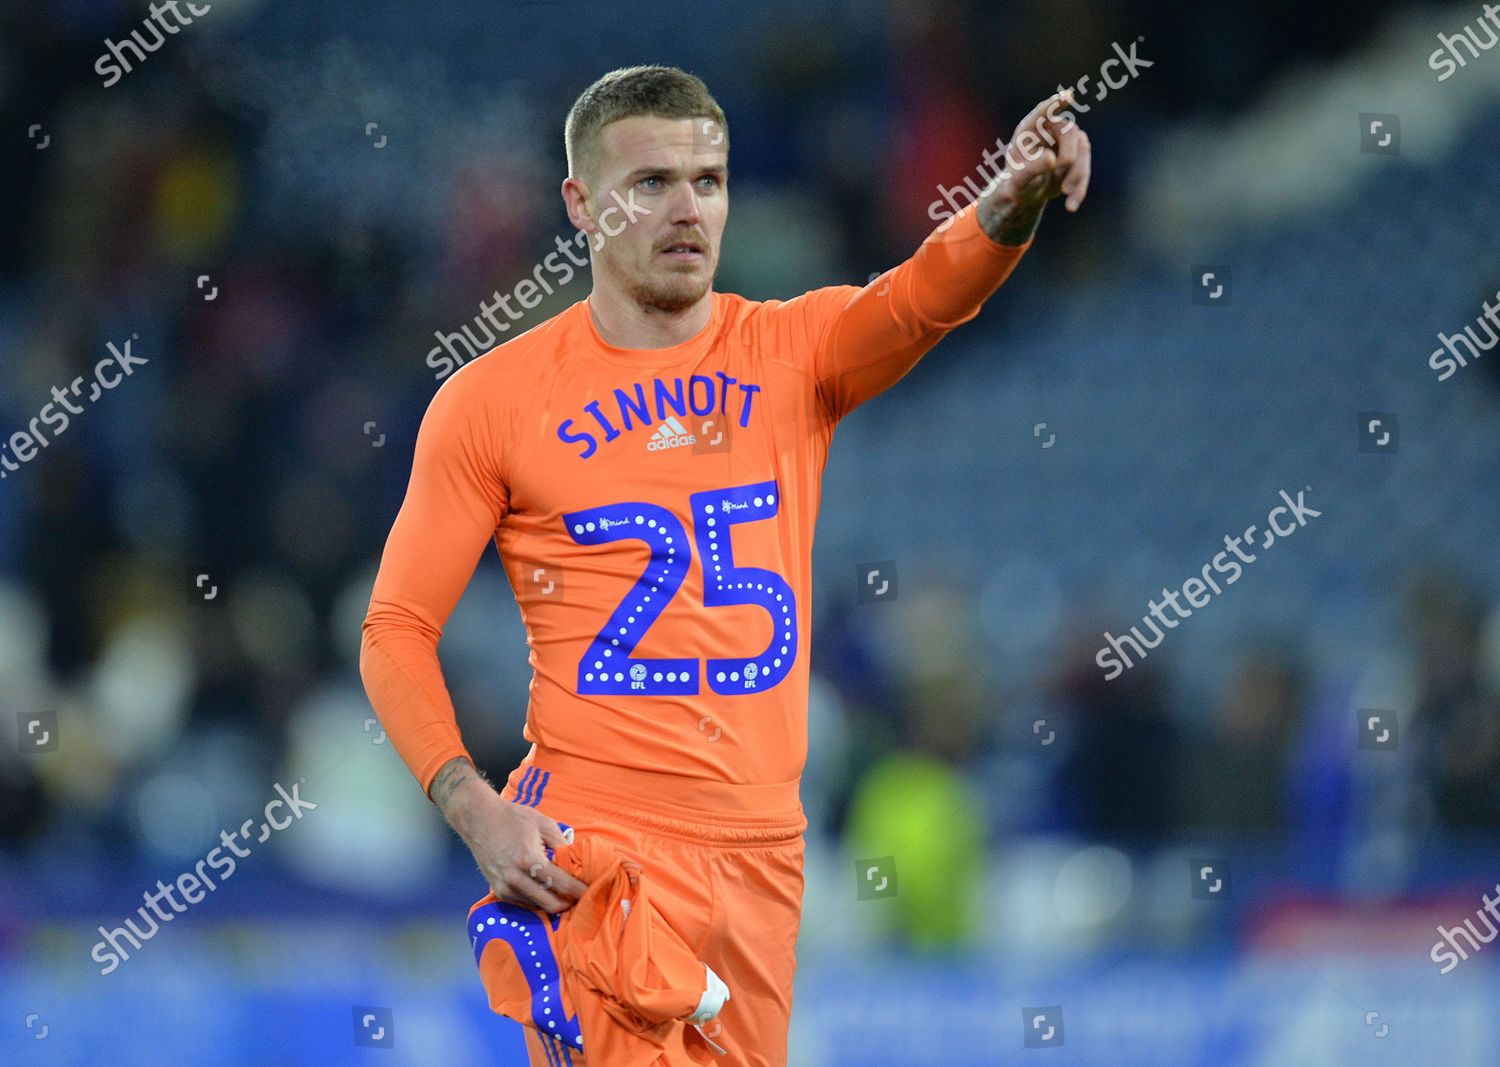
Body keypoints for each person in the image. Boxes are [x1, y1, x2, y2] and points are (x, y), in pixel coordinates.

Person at [360, 64, 1090, 1067]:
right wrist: (470, 802)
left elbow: (924, 297)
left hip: (763, 851)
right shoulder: (491, 401)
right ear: (581, 204)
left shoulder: (792, 352)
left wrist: (1009, 201)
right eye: (650, 182)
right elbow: (396, 624)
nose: (687, 208)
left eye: (708, 179)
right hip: (597, 844)